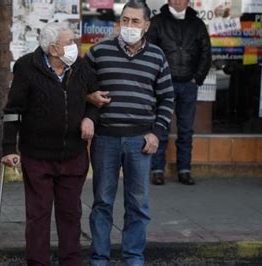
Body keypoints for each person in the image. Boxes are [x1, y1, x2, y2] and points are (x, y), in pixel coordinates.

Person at [84, 1, 174, 265]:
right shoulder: (98, 53)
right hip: (105, 139)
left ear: (147, 25)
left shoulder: (157, 56)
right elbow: (80, 88)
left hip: (140, 140)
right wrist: (89, 95)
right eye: (125, 20)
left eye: (136, 22)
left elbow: (167, 98)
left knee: (137, 205)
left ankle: (133, 258)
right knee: (102, 202)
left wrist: (157, 133)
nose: (130, 26)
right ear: (119, 22)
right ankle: (99, 259)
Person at [1, 22, 98, 265]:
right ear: (54, 49)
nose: (75, 47)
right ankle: (37, 262)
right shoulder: (26, 67)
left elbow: (95, 99)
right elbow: (13, 110)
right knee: (38, 215)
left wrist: (89, 118)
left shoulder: (80, 66)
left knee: (71, 214)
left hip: (73, 154)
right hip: (38, 156)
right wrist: (8, 148)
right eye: (69, 43)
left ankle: (71, 261)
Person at [147, 0, 212, 185]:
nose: (177, 0)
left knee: (186, 130)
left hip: (188, 84)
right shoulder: (158, 22)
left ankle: (185, 169)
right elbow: (149, 51)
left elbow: (206, 52)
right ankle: (157, 170)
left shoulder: (196, 23)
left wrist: (197, 78)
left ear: (188, 1)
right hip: (163, 84)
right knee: (161, 127)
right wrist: (156, 78)